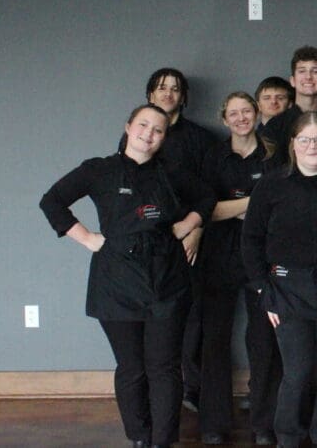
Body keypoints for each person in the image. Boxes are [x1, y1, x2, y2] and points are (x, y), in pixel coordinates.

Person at [40, 104, 215, 448]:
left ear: (164, 138)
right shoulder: (99, 170)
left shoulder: (173, 172)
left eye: (158, 130)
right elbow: (52, 201)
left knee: (164, 367)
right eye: (143, 125)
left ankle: (162, 441)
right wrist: (87, 238)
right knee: (132, 367)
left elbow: (207, 198)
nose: (149, 134)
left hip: (167, 278)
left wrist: (189, 224)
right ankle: (139, 437)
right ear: (128, 127)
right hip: (116, 281)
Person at [241, 112, 317, 448]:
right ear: (293, 144)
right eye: (305, 139)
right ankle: (289, 437)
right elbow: (250, 240)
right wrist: (264, 290)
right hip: (286, 290)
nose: (313, 146)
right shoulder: (271, 185)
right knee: (298, 372)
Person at [122, 67, 217, 415]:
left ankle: (191, 390)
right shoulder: (136, 136)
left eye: (175, 89)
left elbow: (209, 194)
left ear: (183, 97)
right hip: (146, 243)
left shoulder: (201, 139)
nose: (167, 93)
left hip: (189, 238)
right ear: (150, 94)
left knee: (190, 317)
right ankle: (152, 388)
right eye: (161, 88)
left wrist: (195, 231)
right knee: (146, 316)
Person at [197, 92, 276, 445]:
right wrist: (253, 203)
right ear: (224, 119)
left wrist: (237, 207)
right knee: (214, 341)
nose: (241, 118)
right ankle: (214, 423)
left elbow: (280, 206)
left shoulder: (274, 155)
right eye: (234, 113)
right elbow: (207, 210)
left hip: (262, 258)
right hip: (218, 257)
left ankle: (264, 423)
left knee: (264, 341)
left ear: (257, 114)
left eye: (247, 111)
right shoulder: (213, 157)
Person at [260, 46, 317, 162]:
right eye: (302, 71)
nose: (308, 77)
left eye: (315, 71)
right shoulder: (275, 126)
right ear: (292, 81)